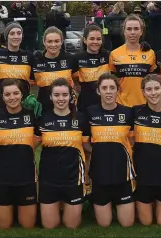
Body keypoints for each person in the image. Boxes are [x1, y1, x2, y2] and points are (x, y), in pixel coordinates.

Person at [35, 78, 90, 229]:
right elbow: (31, 146)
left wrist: (87, 174)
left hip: (73, 179)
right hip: (48, 179)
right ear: (51, 97)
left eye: (64, 95)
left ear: (71, 97)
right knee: (50, 226)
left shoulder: (81, 119)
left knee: (71, 226)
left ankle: (79, 203)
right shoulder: (42, 120)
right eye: (57, 95)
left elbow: (87, 147)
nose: (61, 99)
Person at [0, 78, 39, 229]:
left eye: (16, 93)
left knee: (27, 225)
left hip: (26, 176)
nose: (12, 97)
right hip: (1, 177)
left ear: (22, 95)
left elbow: (39, 137)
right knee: (4, 226)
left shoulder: (30, 115)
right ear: (2, 97)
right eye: (7, 94)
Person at [85, 73, 136, 228]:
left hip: (122, 173)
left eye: (112, 88)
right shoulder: (90, 112)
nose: (108, 91)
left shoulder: (128, 112)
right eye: (104, 88)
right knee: (104, 224)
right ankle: (95, 203)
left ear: (118, 90)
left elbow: (132, 140)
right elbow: (86, 143)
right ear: (99, 91)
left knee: (127, 224)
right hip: (100, 174)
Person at [132, 74, 161, 226]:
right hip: (142, 174)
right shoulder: (135, 112)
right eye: (149, 89)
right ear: (143, 92)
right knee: (146, 222)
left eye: (157, 88)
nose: (153, 93)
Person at [109, 14, 156, 107]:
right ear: (124, 32)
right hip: (121, 105)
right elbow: (113, 82)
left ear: (141, 31)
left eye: (136, 29)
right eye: (129, 29)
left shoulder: (150, 53)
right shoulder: (114, 54)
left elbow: (153, 80)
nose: (133, 32)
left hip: (145, 105)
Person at [0, 22, 35, 109]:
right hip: (1, 105)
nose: (16, 36)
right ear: (7, 36)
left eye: (19, 33)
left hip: (23, 106)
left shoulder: (29, 57)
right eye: (12, 33)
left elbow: (34, 80)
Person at [34, 26, 77, 113]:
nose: (53, 45)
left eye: (57, 41)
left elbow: (77, 82)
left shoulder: (70, 59)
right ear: (44, 42)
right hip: (44, 109)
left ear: (62, 41)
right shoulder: (35, 61)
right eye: (50, 41)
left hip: (67, 108)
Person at [74, 24, 111, 111]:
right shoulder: (77, 57)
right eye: (92, 39)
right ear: (85, 40)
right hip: (85, 104)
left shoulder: (108, 56)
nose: (95, 42)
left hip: (105, 103)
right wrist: (76, 84)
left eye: (98, 39)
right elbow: (71, 76)